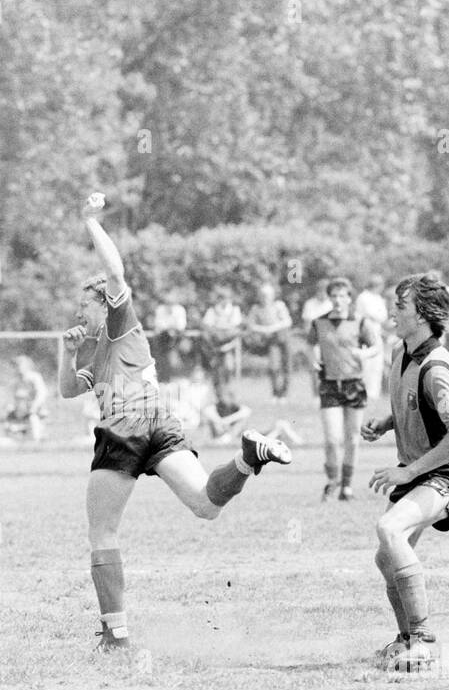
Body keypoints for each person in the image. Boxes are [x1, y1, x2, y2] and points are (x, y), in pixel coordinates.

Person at [59, 192, 292, 652]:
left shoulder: (118, 322)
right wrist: (67, 353)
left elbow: (115, 272)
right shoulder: (92, 345)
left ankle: (116, 634)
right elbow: (69, 390)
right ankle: (247, 460)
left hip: (124, 426)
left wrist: (89, 221)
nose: (78, 312)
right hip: (160, 422)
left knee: (102, 532)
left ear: (105, 304)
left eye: (84, 306)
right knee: (206, 506)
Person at [363, 273, 449, 671]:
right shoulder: (401, 352)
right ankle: (407, 639)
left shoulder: (436, 367)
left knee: (390, 530)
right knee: (385, 558)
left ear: (424, 315)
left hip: (443, 475)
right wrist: (387, 422)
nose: (393, 310)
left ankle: (423, 640)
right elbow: (415, 405)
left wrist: (408, 471)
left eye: (401, 305)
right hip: (419, 474)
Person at [308, 277, 382, 501]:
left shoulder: (359, 321)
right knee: (332, 439)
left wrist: (364, 354)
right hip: (330, 384)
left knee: (352, 438)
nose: (338, 300)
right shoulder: (318, 322)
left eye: (342, 296)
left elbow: (377, 346)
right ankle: (332, 481)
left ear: (349, 298)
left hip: (354, 384)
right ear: (329, 298)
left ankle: (346, 486)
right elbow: (309, 343)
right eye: (334, 296)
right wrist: (313, 359)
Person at [244, 282, 293, 401]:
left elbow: (287, 321)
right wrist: (263, 330)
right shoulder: (256, 308)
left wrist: (271, 328)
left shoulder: (279, 305)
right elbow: (250, 325)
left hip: (284, 338)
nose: (264, 297)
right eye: (262, 295)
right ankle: (275, 393)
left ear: (272, 295)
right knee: (274, 366)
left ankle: (284, 394)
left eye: (267, 295)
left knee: (287, 366)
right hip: (272, 341)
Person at [353, 274, 389, 402]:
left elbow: (383, 316)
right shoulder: (363, 297)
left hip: (377, 331)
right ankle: (364, 391)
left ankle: (374, 392)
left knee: (377, 363)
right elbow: (371, 314)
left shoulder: (378, 298)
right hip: (365, 332)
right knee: (366, 363)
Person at [200, 285, 243, 391]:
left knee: (228, 367)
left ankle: (227, 387)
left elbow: (236, 329)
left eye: (226, 298)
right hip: (214, 345)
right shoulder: (212, 311)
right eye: (222, 298)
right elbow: (207, 327)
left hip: (229, 344)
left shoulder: (234, 310)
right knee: (216, 369)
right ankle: (218, 389)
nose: (224, 300)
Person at [4, 354, 49, 440]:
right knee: (9, 423)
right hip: (19, 411)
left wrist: (34, 406)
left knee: (32, 420)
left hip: (34, 411)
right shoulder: (15, 381)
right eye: (15, 366)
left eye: (19, 365)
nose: (17, 369)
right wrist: (11, 407)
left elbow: (42, 394)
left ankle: (37, 435)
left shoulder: (35, 378)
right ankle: (14, 435)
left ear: (26, 366)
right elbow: (10, 398)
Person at [151, 289, 190, 382]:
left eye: (171, 302)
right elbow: (158, 325)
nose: (169, 304)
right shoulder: (160, 309)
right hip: (162, 338)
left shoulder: (180, 309)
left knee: (182, 350)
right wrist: (169, 327)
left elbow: (181, 326)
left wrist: (169, 328)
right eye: (167, 302)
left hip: (177, 337)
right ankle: (163, 377)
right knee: (160, 356)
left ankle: (179, 375)